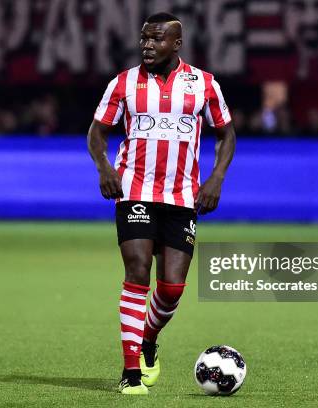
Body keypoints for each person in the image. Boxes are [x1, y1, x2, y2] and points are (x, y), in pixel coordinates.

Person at [87, 12, 235, 395]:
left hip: (183, 196)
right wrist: (104, 167)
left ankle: (148, 339)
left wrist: (216, 178)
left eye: (156, 39)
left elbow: (226, 133)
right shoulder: (123, 84)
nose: (147, 46)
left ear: (177, 44)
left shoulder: (203, 84)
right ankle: (131, 371)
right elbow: (97, 132)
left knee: (171, 290)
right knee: (137, 272)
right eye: (144, 39)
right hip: (134, 191)